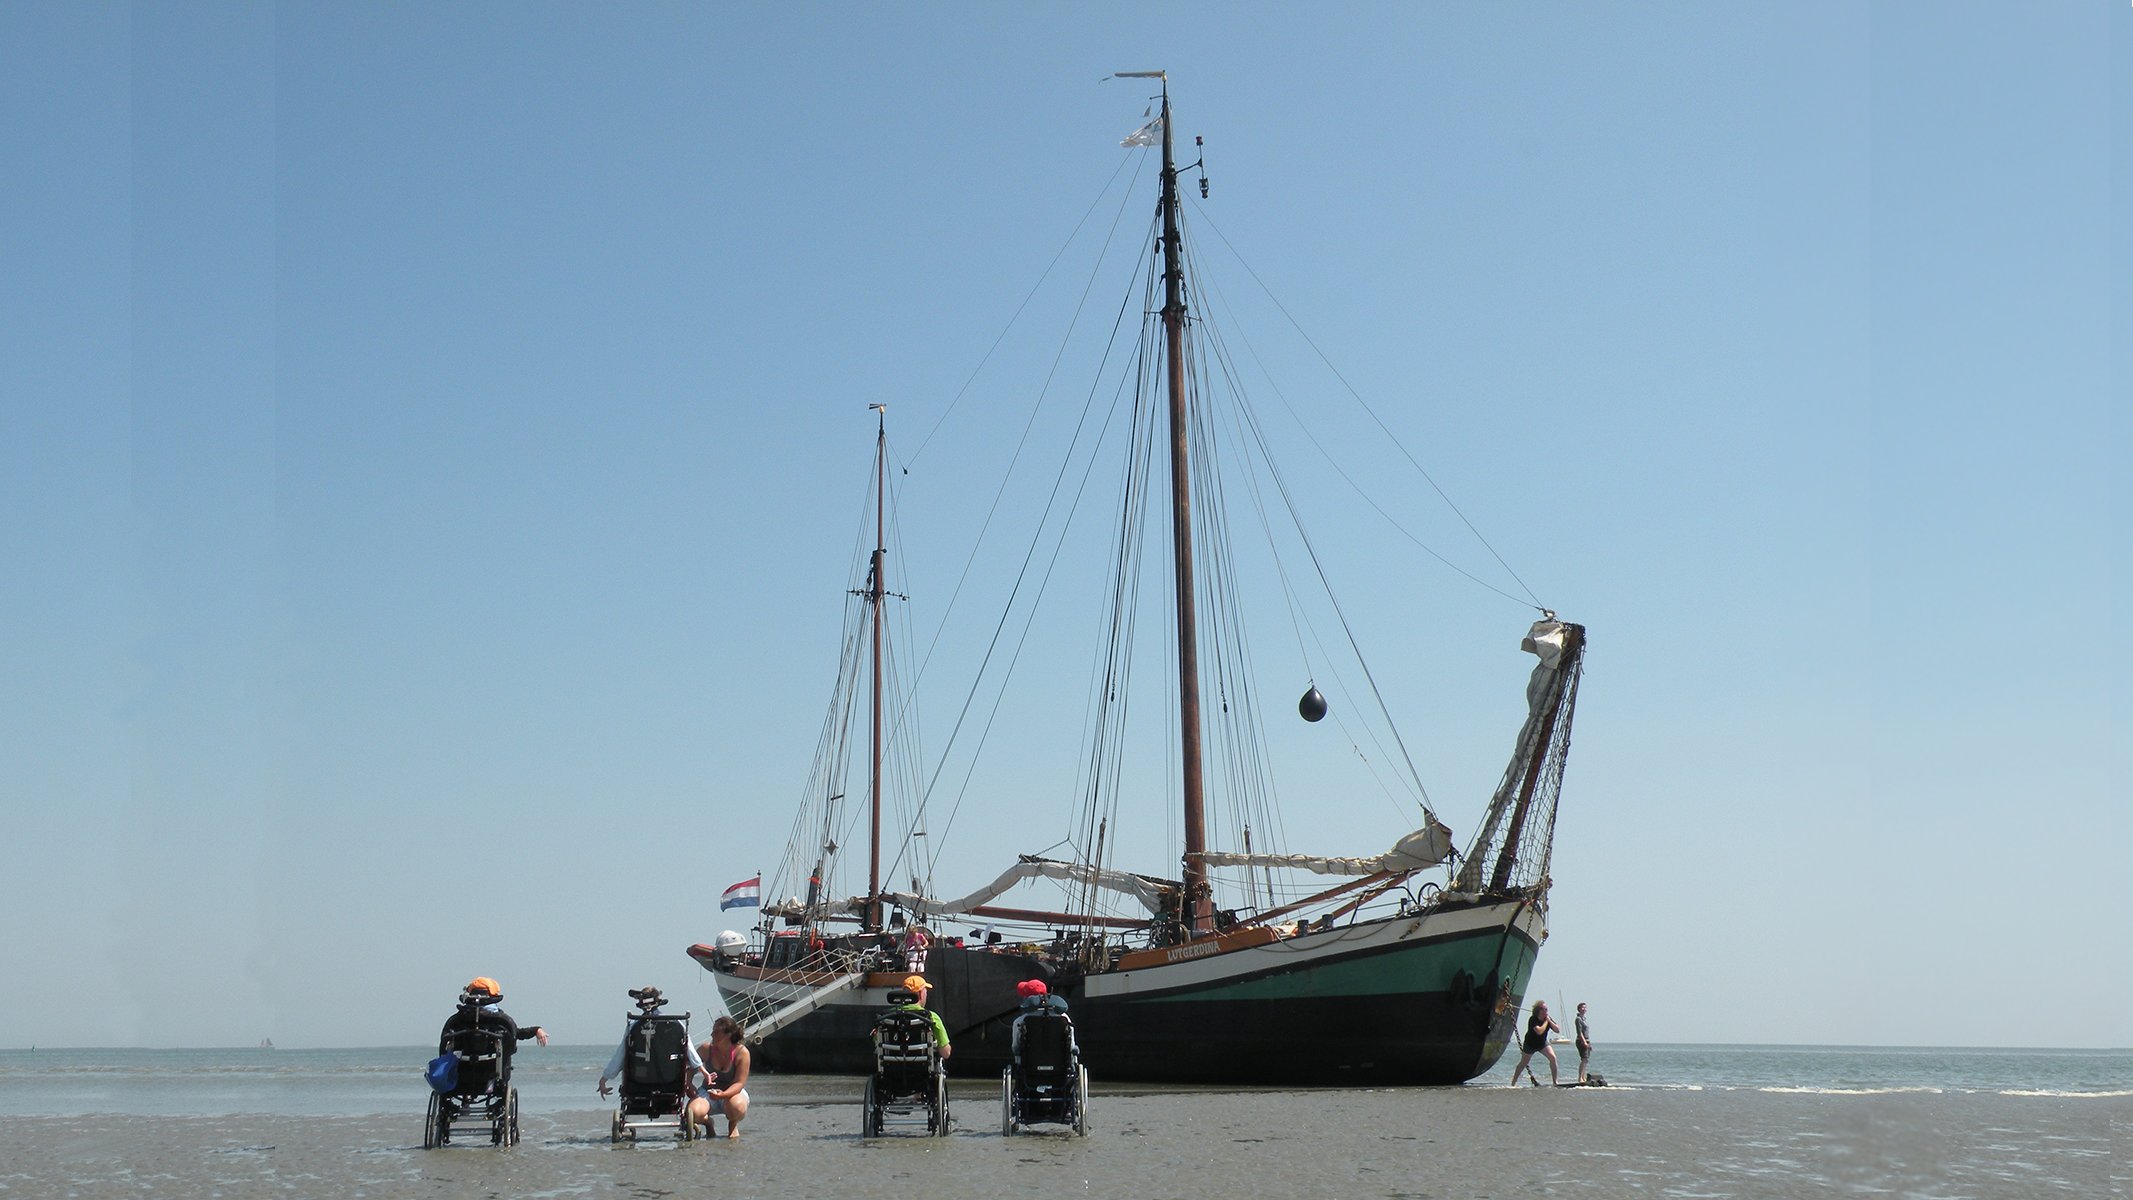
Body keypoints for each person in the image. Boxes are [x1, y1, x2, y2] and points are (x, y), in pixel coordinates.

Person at [595, 986, 708, 1099]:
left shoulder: (634, 1026)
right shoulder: (676, 1024)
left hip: (639, 1083)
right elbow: (690, 1050)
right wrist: (704, 1072)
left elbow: (621, 1055)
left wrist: (604, 1079)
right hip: (670, 1081)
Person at [438, 976, 549, 1068]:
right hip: (492, 1071)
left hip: (461, 1072)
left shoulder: (458, 1019)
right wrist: (536, 1030)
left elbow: (444, 1041)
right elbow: (516, 1034)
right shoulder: (502, 1020)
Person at [689, 1015, 752, 1140]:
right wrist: (689, 1085)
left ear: (728, 1035)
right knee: (693, 1113)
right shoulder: (705, 1049)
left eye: (716, 1032)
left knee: (737, 1107)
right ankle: (708, 1124)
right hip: (708, 1091)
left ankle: (733, 1124)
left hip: (733, 1093)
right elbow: (689, 1070)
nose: (711, 1034)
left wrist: (723, 1095)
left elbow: (739, 1083)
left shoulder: (742, 1053)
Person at [1009, 978, 1072, 1057]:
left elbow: (1015, 1048)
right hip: (1061, 1065)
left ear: (1027, 998)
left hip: (1029, 1066)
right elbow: (1071, 1046)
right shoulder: (1064, 1018)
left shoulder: (1020, 1021)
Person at [895, 973, 951, 1061]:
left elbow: (876, 1042)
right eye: (926, 991)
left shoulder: (887, 1017)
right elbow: (946, 1053)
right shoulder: (931, 1017)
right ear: (921, 994)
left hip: (893, 1069)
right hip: (923, 1070)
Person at [1508, 998, 1561, 1087]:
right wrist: (1546, 1022)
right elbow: (1539, 1031)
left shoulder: (1548, 1019)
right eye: (1543, 1009)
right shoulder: (1533, 1019)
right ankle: (1513, 1082)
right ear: (1538, 1010)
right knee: (1523, 1063)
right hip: (1530, 1044)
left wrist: (1550, 1021)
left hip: (1542, 1044)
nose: (1546, 1011)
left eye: (1546, 1009)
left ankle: (1555, 1082)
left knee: (1553, 1057)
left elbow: (1557, 1030)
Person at [1574, 1002, 1593, 1083]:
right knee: (1584, 1059)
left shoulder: (1584, 1019)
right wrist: (1584, 1042)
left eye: (1585, 1008)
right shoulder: (1578, 1019)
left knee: (1586, 1060)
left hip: (1587, 1039)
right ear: (1579, 1009)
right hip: (1581, 1040)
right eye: (1582, 1008)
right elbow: (1579, 1032)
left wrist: (1589, 1044)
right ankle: (1580, 1078)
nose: (1584, 1009)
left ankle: (1583, 1077)